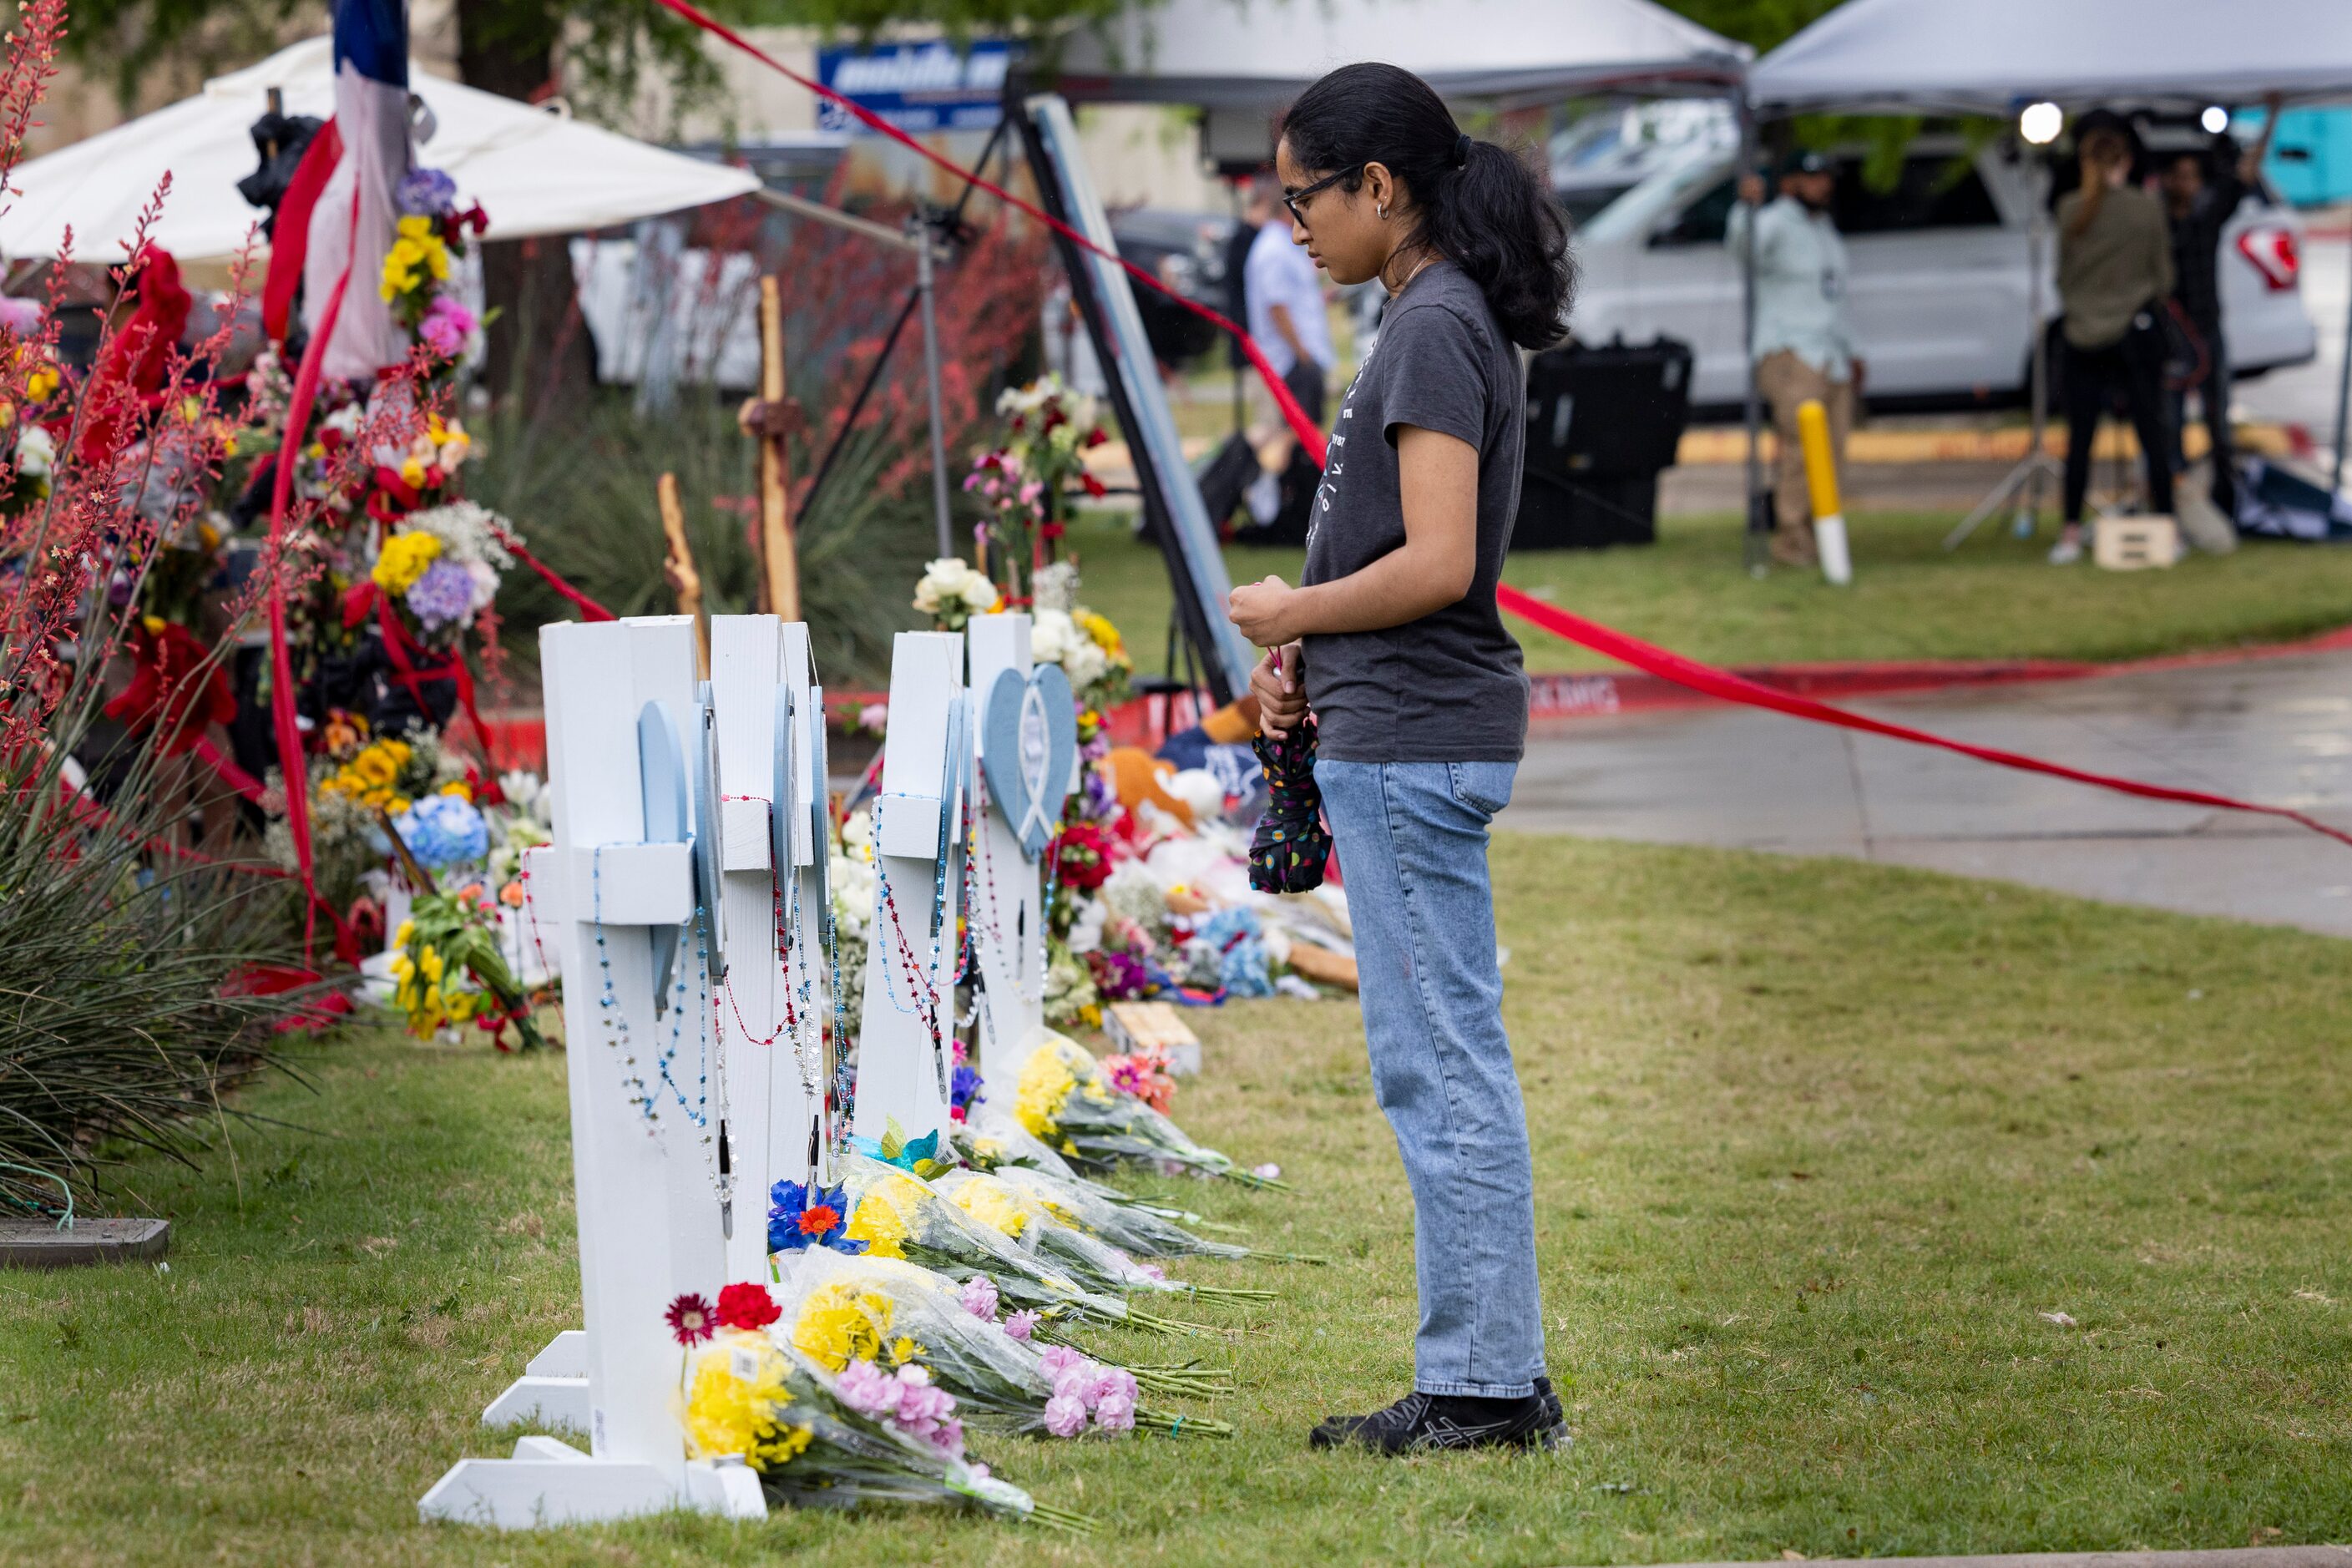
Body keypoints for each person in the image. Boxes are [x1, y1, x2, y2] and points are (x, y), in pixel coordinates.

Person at [1224, 61, 1574, 1456]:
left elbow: (1433, 560)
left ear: (1380, 187)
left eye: (1303, 195)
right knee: (1438, 1056)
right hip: (1396, 724)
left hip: (1416, 737)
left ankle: (1484, 1388)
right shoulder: (1426, 313)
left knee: (1439, 1064)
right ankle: (1489, 1370)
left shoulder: (1432, 325)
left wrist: (1291, 609)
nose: (1291, 223)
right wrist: (1309, 656)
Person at [1727, 150, 1863, 569]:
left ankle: (1824, 538)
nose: (1823, 184)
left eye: (1826, 176)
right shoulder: (1773, 222)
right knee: (1801, 451)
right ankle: (1792, 543)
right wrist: (1744, 208)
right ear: (1789, 184)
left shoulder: (1824, 229)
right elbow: (1746, 250)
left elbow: (1833, 297)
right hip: (1789, 351)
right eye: (1812, 177)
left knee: (1834, 452)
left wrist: (1852, 350)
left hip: (1831, 355)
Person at [2051, 123, 2176, 564]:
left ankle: (2069, 532)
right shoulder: (2145, 208)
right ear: (2123, 162)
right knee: (2151, 434)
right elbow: (2164, 279)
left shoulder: (2069, 209)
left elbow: (2061, 278)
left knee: (2080, 439)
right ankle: (2167, 526)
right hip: (2132, 335)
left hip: (2082, 334)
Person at [2159, 99, 2282, 520]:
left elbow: (2244, 174)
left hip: (2207, 331)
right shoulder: (2156, 223)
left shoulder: (2206, 218)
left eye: (2192, 177)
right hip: (2172, 337)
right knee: (2169, 426)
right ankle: (2174, 506)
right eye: (2180, 177)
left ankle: (2225, 502)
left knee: (2218, 420)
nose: (2186, 184)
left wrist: (2271, 119)